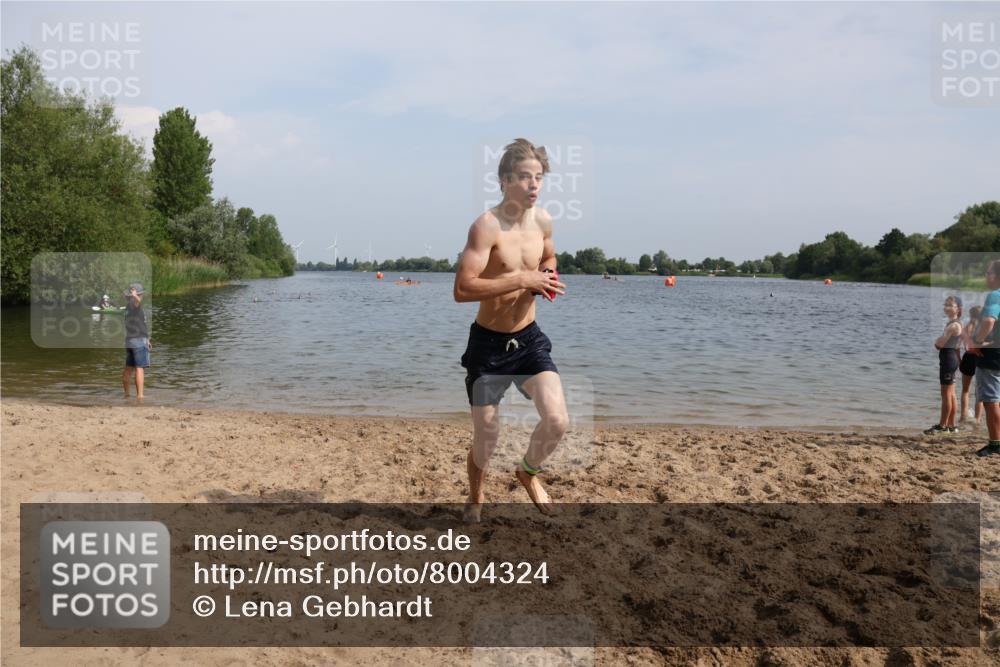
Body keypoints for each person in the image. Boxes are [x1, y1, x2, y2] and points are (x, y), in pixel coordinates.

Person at [453, 138, 568, 522]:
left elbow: (548, 257)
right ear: (504, 180)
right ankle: (476, 497)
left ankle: (527, 471)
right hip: (487, 345)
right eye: (524, 177)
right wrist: (523, 278)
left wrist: (547, 277)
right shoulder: (486, 228)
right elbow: (463, 288)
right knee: (486, 437)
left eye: (538, 178)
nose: (533, 185)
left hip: (529, 339)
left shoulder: (544, 223)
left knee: (557, 420)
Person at [972, 260, 1000, 457]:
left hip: (992, 357)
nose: (986, 276)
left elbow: (989, 321)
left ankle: (995, 444)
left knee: (991, 401)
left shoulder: (994, 296)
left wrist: (977, 342)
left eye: (988, 273)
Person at [925, 296, 963, 435]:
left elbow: (939, 344)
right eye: (945, 305)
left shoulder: (953, 325)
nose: (946, 307)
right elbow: (957, 345)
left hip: (948, 360)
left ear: (958, 308)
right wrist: (959, 361)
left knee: (946, 394)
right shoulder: (956, 323)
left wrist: (938, 340)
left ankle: (942, 426)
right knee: (951, 394)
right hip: (951, 359)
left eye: (950, 305)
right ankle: (952, 425)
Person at [122, 283, 151, 401]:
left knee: (128, 368)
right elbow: (138, 302)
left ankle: (127, 395)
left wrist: (147, 339)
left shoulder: (128, 307)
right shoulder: (134, 305)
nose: (142, 296)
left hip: (130, 341)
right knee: (139, 368)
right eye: (141, 294)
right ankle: (140, 396)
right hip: (138, 341)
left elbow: (140, 325)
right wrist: (135, 296)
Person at [959, 305, 983, 428]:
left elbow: (958, 345)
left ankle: (963, 416)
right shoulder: (983, 329)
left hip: (967, 357)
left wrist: (959, 360)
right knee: (979, 392)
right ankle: (977, 419)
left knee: (965, 390)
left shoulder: (965, 328)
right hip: (979, 358)